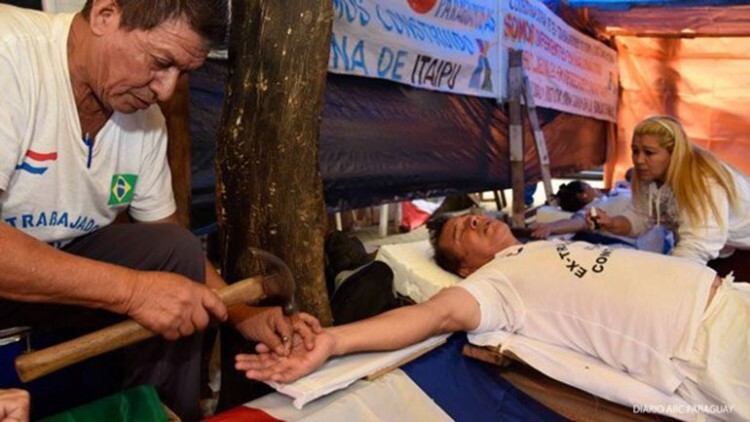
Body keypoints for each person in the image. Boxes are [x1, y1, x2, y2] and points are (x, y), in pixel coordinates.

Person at [0, 2, 319, 419]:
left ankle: (157, 413)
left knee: (174, 248)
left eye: (181, 72)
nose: (166, 91)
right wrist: (134, 291)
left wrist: (240, 314)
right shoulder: (10, 56)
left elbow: (171, 242)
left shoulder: (144, 120)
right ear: (105, 14)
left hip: (56, 273)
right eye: (160, 62)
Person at [236, 213, 749, 420]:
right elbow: (437, 316)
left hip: (731, 298)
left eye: (472, 216)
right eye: (461, 232)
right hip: (707, 345)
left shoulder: (537, 247)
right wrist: (334, 341)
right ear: (464, 267)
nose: (475, 221)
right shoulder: (494, 286)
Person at [587, 116, 750, 279]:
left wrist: (666, 279)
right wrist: (611, 223)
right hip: (717, 250)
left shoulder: (704, 182)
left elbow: (697, 245)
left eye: (649, 152)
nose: (639, 160)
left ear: (674, 153)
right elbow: (640, 218)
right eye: (635, 151)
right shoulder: (649, 176)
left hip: (743, 251)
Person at [529, 180, 670, 252]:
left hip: (662, 224)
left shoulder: (610, 196)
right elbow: (578, 223)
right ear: (583, 195)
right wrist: (551, 227)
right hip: (656, 241)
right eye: (589, 186)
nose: (595, 188)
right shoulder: (593, 209)